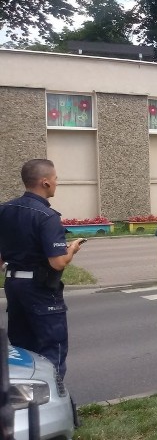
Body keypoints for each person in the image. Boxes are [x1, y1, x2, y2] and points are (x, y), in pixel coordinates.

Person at [0, 159, 85, 380]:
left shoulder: (4, 210)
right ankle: (51, 403)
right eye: (56, 179)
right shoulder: (48, 217)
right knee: (51, 351)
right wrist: (72, 250)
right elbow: (57, 262)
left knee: (22, 351)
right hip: (40, 289)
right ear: (45, 182)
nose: (57, 183)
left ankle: (24, 402)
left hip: (13, 285)